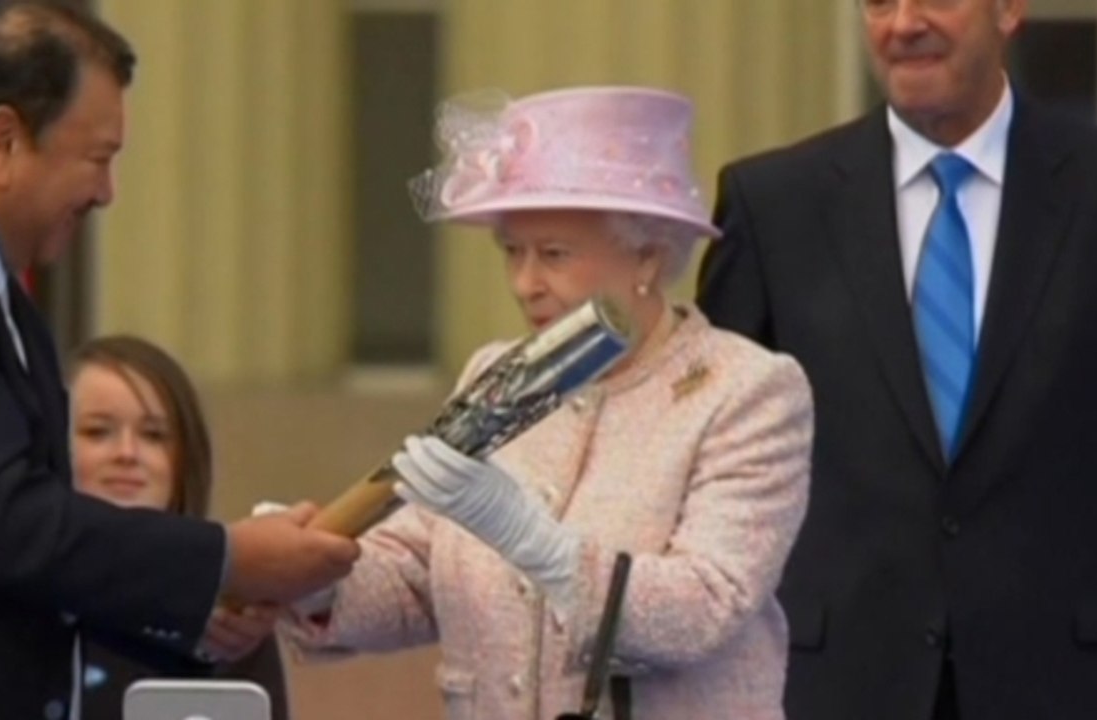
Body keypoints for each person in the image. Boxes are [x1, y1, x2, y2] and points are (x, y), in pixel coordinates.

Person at [0, 2, 359, 718]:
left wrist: (194, 600)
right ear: (3, 141)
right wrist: (225, 558)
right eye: (98, 160)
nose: (106, 194)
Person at [280, 86, 814, 720]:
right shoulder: (496, 372)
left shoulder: (745, 389)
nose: (524, 283)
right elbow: (420, 574)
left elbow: (705, 606)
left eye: (554, 254)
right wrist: (318, 576)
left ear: (648, 253)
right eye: (512, 252)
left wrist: (539, 545)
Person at [696, 1, 1097, 718]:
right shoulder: (773, 206)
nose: (902, 23)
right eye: (879, 1)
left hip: (1068, 678)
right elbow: (719, 458)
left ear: (1009, 9)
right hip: (839, 681)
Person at [69, 335, 291, 720]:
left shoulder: (232, 615)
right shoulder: (13, 601)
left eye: (153, 435)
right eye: (97, 431)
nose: (126, 453)